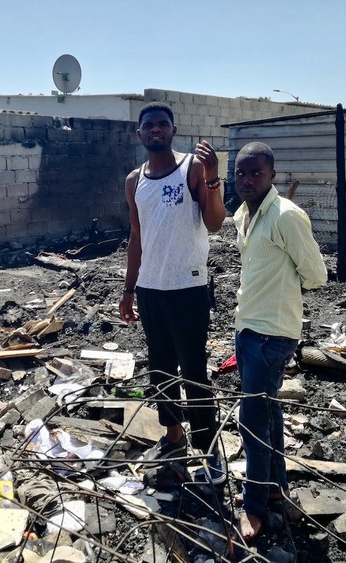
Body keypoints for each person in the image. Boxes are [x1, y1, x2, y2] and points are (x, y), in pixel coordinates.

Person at [119, 102, 227, 483]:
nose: (156, 130)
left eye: (162, 125)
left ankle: (209, 449)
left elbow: (214, 223)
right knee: (160, 368)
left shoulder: (192, 168)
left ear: (173, 129)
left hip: (188, 287)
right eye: (149, 126)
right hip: (150, 289)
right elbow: (136, 236)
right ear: (140, 133)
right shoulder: (135, 181)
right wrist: (129, 289)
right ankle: (173, 435)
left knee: (195, 370)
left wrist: (213, 178)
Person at [232, 142, 327, 539]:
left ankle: (253, 506)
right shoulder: (242, 214)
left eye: (256, 172)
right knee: (268, 412)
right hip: (247, 327)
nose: (248, 179)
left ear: (272, 175)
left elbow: (317, 274)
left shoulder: (287, 216)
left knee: (251, 418)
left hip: (273, 334)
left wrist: (286, 289)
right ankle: (275, 490)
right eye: (241, 173)